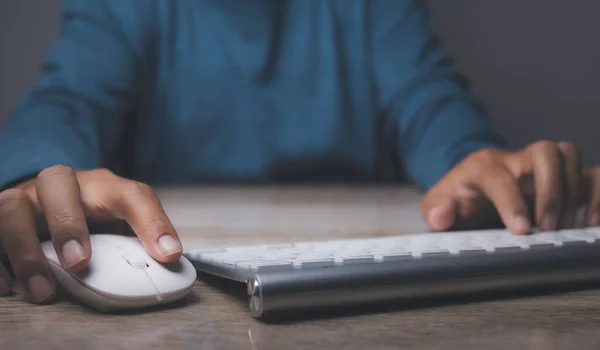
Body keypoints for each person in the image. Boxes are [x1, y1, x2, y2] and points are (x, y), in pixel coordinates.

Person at [0, 0, 598, 305]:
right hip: (192, 263)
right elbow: (67, 99)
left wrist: (478, 164)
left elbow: (430, 99)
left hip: (354, 268)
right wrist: (37, 177)